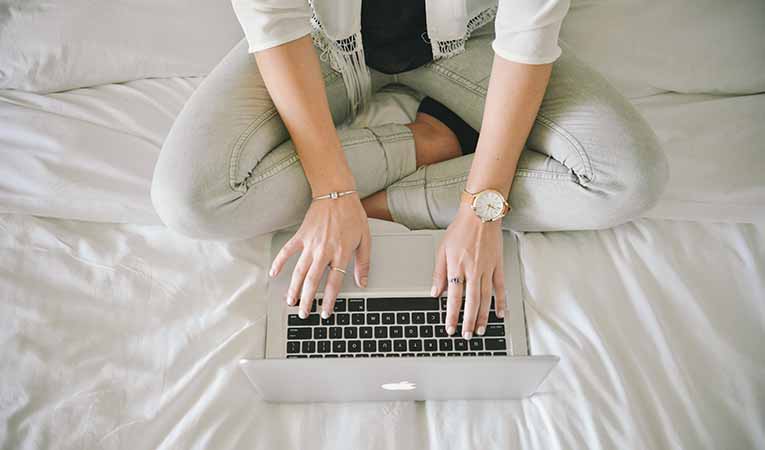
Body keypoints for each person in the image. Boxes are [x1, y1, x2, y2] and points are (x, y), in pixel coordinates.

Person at [151, 0, 668, 340]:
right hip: (319, 44)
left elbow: (527, 34)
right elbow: (274, 22)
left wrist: (481, 209)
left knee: (627, 179)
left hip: (473, 41)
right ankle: (426, 144)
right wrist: (331, 193)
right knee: (191, 200)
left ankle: (389, 186)